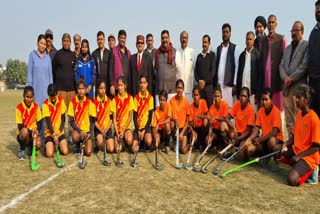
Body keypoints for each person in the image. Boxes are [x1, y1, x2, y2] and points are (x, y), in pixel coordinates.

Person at [276, 84, 320, 186]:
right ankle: (298, 166)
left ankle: (312, 171)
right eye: (296, 97)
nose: (296, 100)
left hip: (309, 157)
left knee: (291, 180)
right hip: (297, 150)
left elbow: (316, 147)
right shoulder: (299, 115)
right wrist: (285, 144)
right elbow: (294, 137)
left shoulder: (314, 119)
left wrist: (299, 156)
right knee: (276, 150)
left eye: (299, 97)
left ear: (307, 99)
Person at [280, 21, 308, 137]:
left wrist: (290, 78)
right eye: (292, 31)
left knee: (300, 119)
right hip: (287, 90)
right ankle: (292, 145)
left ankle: (301, 146)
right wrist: (285, 78)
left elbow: (304, 65)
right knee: (289, 121)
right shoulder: (287, 48)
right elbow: (281, 65)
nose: (294, 33)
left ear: (302, 32)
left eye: (296, 30)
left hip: (298, 90)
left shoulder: (306, 45)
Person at [243, 88, 283, 161]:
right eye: (262, 99)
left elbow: (275, 132)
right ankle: (263, 157)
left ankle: (274, 160)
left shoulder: (276, 111)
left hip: (275, 139)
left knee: (271, 141)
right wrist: (248, 140)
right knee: (248, 149)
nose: (264, 102)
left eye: (266, 99)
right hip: (264, 139)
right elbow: (256, 130)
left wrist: (260, 139)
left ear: (271, 100)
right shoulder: (260, 111)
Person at [52, 33, 77, 143]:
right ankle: (59, 134)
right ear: (62, 41)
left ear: (70, 42)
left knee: (71, 115)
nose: (66, 43)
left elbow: (75, 72)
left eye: (68, 41)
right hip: (60, 90)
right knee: (60, 114)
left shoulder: (73, 55)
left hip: (71, 90)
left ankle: (71, 135)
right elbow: (53, 71)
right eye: (64, 41)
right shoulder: (57, 55)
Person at [260, 15, 287, 112]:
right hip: (266, 82)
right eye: (269, 23)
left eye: (272, 22)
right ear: (266, 25)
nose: (271, 24)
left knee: (278, 111)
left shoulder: (281, 39)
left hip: (277, 82)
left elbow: (285, 61)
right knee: (267, 111)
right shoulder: (263, 41)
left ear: (276, 24)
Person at [224, 87, 255, 160]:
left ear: (248, 98)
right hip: (237, 133)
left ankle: (243, 150)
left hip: (246, 136)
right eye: (241, 96)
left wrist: (238, 138)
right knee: (223, 125)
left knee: (241, 156)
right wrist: (234, 128)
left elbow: (248, 131)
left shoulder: (251, 109)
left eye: (245, 96)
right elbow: (226, 118)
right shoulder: (237, 104)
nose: (243, 98)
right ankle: (230, 150)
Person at [154, 30, 182, 106]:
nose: (164, 40)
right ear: (160, 39)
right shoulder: (157, 53)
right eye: (163, 38)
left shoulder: (175, 52)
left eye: (166, 37)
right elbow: (155, 70)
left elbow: (179, 71)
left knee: (171, 114)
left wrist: (178, 88)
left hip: (171, 91)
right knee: (159, 115)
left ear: (169, 38)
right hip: (159, 91)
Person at [68, 80, 95, 156]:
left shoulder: (89, 102)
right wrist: (80, 131)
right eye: (79, 89)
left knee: (89, 152)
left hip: (86, 131)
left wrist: (90, 133)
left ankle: (85, 143)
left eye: (82, 88)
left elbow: (92, 120)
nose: (81, 91)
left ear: (85, 89)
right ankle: (77, 145)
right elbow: (72, 121)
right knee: (75, 136)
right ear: (77, 89)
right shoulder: (72, 102)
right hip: (78, 131)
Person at [216, 23, 240, 108]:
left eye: (227, 32)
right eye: (223, 32)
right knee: (220, 109)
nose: (225, 34)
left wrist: (235, 84)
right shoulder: (218, 48)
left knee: (229, 109)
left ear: (230, 34)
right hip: (219, 85)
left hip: (229, 86)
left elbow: (237, 66)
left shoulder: (235, 48)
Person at [16, 86, 42, 160]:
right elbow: (20, 125)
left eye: (31, 97)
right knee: (24, 131)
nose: (29, 99)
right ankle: (22, 149)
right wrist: (31, 131)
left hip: (33, 134)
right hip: (24, 133)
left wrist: (37, 131)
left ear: (33, 97)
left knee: (39, 143)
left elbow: (39, 122)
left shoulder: (36, 107)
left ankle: (30, 149)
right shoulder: (19, 107)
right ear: (23, 96)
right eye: (27, 97)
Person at [236, 31, 261, 111]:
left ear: (253, 41)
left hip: (253, 93)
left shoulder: (257, 55)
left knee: (253, 115)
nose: (248, 41)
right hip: (242, 93)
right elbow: (239, 74)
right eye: (247, 39)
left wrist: (257, 95)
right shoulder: (241, 55)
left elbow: (260, 76)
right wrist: (237, 93)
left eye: (250, 39)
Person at [42, 83, 68, 157]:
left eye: (54, 96)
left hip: (59, 133)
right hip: (49, 133)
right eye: (51, 97)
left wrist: (59, 131)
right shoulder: (45, 104)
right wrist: (53, 134)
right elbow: (48, 121)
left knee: (65, 151)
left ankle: (59, 145)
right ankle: (48, 146)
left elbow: (63, 119)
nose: (53, 98)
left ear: (57, 93)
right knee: (49, 154)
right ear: (48, 94)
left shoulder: (61, 101)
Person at [28, 34, 53, 106]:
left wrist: (51, 91)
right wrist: (30, 90)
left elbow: (50, 75)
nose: (42, 45)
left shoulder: (48, 58)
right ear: (37, 43)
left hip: (46, 93)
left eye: (44, 44)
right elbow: (29, 73)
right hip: (35, 91)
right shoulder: (32, 55)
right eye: (41, 43)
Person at [132, 75, 154, 155]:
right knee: (133, 150)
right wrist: (138, 130)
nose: (142, 85)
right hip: (138, 128)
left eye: (144, 83)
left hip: (146, 127)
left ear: (147, 84)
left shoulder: (151, 98)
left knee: (148, 142)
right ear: (139, 84)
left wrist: (144, 130)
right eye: (141, 83)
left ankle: (145, 142)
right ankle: (140, 143)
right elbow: (134, 117)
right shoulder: (136, 98)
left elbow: (150, 117)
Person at [93, 81, 116, 153]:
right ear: (97, 89)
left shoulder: (109, 101)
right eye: (100, 88)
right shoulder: (94, 102)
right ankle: (97, 143)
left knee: (111, 149)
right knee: (102, 145)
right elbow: (94, 121)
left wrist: (106, 129)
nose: (102, 90)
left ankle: (106, 141)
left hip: (107, 129)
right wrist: (101, 130)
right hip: (98, 129)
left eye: (104, 88)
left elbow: (111, 119)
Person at [113, 76, 134, 154]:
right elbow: (114, 119)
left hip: (126, 128)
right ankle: (120, 141)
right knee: (117, 150)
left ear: (125, 86)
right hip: (118, 129)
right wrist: (117, 132)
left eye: (121, 85)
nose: (119, 87)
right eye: (118, 85)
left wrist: (123, 131)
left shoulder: (130, 98)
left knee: (129, 140)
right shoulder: (114, 100)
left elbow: (130, 117)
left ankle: (125, 142)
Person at [194, 35, 217, 108]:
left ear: (209, 43)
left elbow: (213, 71)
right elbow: (195, 71)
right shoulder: (199, 56)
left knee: (210, 109)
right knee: (200, 108)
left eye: (206, 42)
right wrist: (199, 81)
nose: (204, 44)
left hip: (209, 88)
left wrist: (204, 82)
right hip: (200, 88)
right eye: (203, 42)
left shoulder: (212, 55)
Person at [205, 87, 229, 152]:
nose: (217, 98)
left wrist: (216, 117)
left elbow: (224, 119)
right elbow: (211, 125)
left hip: (224, 129)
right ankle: (215, 145)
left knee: (222, 124)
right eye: (215, 96)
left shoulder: (225, 104)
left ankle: (227, 146)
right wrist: (210, 135)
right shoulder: (212, 108)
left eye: (218, 96)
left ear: (221, 96)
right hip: (216, 131)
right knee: (207, 139)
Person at [169, 79, 189, 154]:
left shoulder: (186, 101)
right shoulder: (171, 101)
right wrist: (175, 120)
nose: (179, 90)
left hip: (183, 129)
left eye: (181, 88)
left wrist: (182, 133)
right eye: (178, 88)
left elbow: (187, 121)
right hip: (176, 128)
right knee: (171, 123)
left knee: (183, 151)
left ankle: (189, 146)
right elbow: (171, 117)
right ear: (175, 88)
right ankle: (174, 140)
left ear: (183, 89)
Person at [110, 30, 131, 96]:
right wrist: (111, 85)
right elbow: (110, 70)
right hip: (116, 87)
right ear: (118, 38)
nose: (122, 40)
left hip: (125, 87)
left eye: (124, 38)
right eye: (121, 38)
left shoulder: (128, 53)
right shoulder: (113, 51)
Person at [176, 31, 195, 103]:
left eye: (185, 38)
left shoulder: (192, 52)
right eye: (182, 37)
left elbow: (195, 70)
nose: (184, 39)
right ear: (180, 39)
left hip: (189, 89)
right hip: (178, 90)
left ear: (188, 39)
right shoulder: (176, 52)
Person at [308, 0, 320, 117]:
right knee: (315, 115)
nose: (318, 11)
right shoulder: (313, 33)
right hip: (313, 82)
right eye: (316, 9)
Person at [92, 31, 112, 97]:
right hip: (98, 84)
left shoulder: (109, 53)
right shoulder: (94, 53)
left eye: (101, 39)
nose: (100, 41)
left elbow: (111, 70)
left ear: (104, 40)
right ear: (97, 41)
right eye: (98, 39)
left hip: (107, 84)